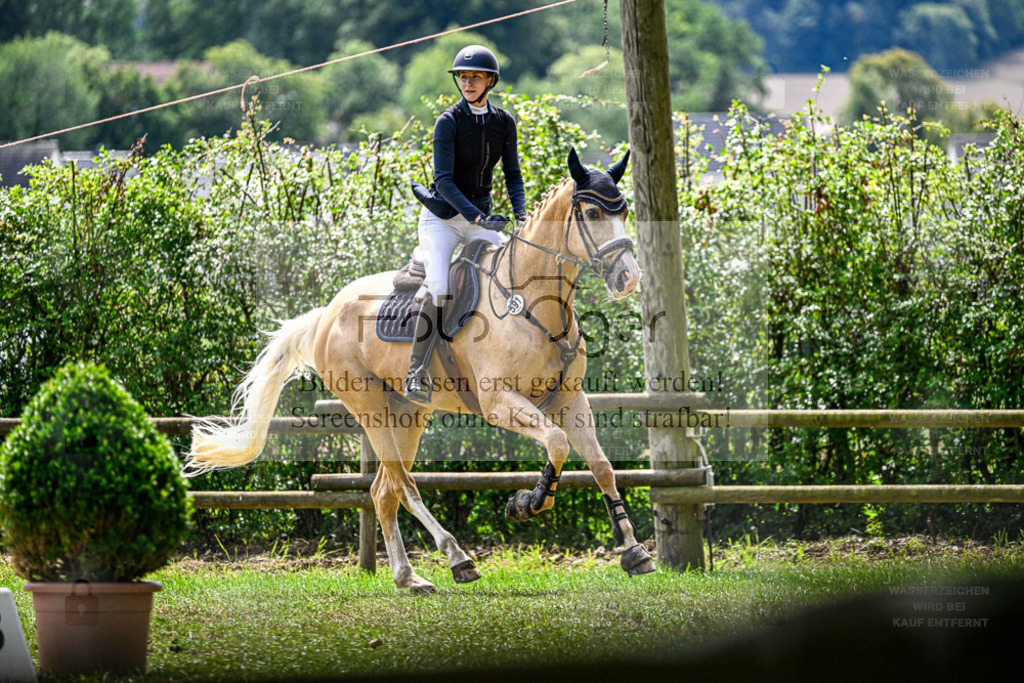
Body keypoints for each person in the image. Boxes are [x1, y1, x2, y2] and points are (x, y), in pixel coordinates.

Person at [405, 44, 528, 404]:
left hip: (479, 218)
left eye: (475, 77)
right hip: (442, 220)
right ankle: (417, 372)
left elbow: (513, 174)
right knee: (440, 286)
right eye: (463, 77)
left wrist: (521, 213)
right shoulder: (448, 121)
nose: (467, 83)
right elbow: (443, 180)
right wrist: (476, 216)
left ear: (490, 80)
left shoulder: (504, 122)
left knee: (514, 269)